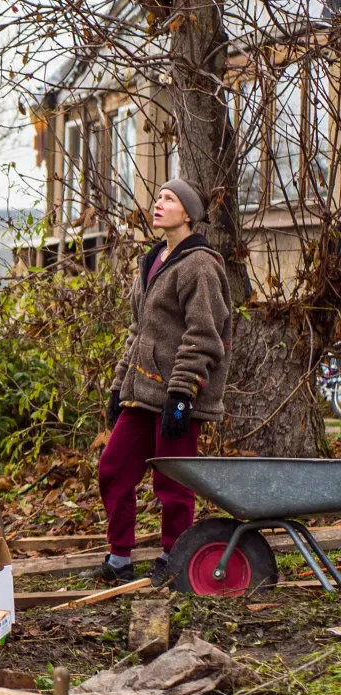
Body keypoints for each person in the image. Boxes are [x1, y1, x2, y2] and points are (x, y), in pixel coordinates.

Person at [94, 179, 232, 584]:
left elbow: (204, 334)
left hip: (176, 396)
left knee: (172, 485)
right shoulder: (152, 260)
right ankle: (120, 558)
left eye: (168, 199)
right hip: (142, 393)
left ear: (187, 214)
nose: (158, 204)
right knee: (113, 468)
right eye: (157, 198)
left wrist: (182, 393)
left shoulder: (200, 265)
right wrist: (120, 384)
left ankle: (176, 557)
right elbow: (138, 331)